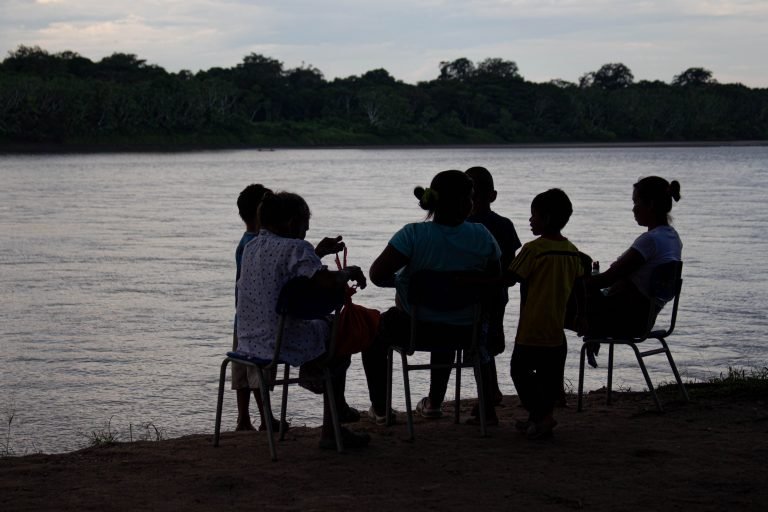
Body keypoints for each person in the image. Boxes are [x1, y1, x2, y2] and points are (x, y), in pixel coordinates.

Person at [363, 170, 501, 425]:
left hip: (415, 329)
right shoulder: (482, 235)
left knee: (373, 332)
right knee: (447, 321)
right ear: (466, 202)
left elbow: (376, 274)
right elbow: (494, 280)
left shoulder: (413, 235)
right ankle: (434, 404)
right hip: (465, 331)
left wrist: (403, 283)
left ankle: (381, 408)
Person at [236, 191, 370, 449]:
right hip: (282, 342)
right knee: (340, 333)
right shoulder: (296, 247)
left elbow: (284, 271)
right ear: (291, 222)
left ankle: (321, 378)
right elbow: (325, 280)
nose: (306, 232)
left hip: (250, 343)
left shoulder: (252, 246)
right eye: (304, 226)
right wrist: (349, 272)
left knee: (324, 329)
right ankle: (332, 423)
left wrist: (316, 252)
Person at [506, 188, 585, 439]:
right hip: (556, 329)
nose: (530, 220)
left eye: (534, 216)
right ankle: (538, 418)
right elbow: (578, 287)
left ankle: (542, 416)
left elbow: (511, 277)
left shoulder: (534, 249)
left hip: (532, 328)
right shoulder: (573, 251)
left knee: (519, 371)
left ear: (547, 218)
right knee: (549, 378)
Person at [583, 177, 682, 338]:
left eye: (636, 202)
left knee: (557, 302)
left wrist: (570, 284)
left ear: (650, 204)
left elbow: (608, 279)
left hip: (623, 321)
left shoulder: (650, 241)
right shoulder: (673, 238)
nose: (633, 209)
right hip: (643, 321)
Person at [465, 166, 521, 416]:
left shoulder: (461, 228)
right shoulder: (504, 225)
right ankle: (492, 390)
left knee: (480, 346)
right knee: (487, 344)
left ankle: (487, 397)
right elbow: (512, 267)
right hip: (497, 295)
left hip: (470, 296)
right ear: (493, 195)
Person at [232, 183, 274, 432]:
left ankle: (243, 419)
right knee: (257, 373)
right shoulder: (257, 245)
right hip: (255, 321)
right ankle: (265, 418)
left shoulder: (246, 242)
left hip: (242, 319)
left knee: (242, 372)